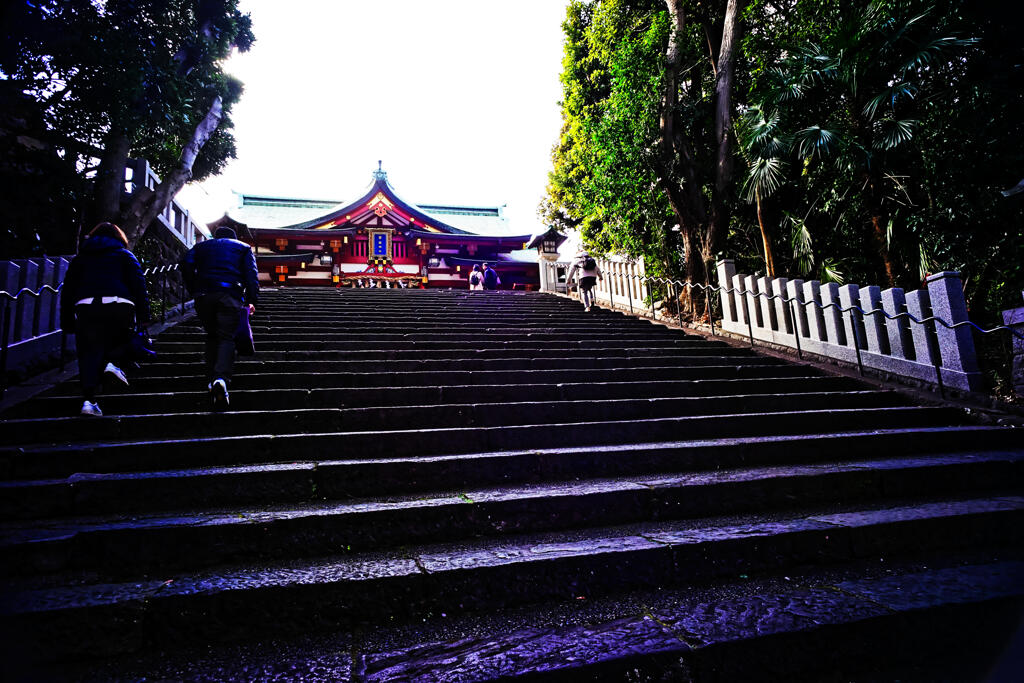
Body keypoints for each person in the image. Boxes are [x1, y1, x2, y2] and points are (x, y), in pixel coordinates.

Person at [60, 222, 150, 416]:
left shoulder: (80, 259)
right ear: (119, 238)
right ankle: (113, 363)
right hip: (119, 304)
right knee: (121, 337)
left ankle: (88, 401)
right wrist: (144, 316)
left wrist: (66, 319)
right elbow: (138, 285)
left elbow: (68, 290)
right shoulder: (125, 255)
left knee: (89, 353)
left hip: (86, 306)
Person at [180, 225, 259, 409]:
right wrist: (251, 300)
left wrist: (194, 288)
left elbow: (186, 264)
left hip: (204, 296)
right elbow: (251, 275)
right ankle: (220, 378)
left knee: (211, 335)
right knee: (226, 336)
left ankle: (210, 378)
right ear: (233, 236)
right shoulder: (243, 247)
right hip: (230, 294)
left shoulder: (201, 247)